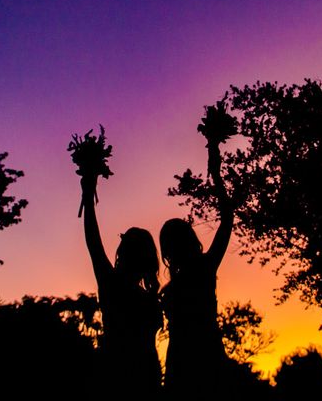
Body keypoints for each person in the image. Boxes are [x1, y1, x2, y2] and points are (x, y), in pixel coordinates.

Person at [160, 125, 235, 396]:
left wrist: (214, 167)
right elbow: (227, 218)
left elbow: (227, 219)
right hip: (191, 360)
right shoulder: (203, 269)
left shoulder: (204, 268)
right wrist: (215, 169)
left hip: (196, 360)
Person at [79, 174, 163, 397]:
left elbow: (94, 243)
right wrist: (88, 197)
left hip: (146, 376)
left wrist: (88, 197)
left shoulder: (147, 294)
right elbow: (93, 241)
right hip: (118, 374)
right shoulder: (112, 282)